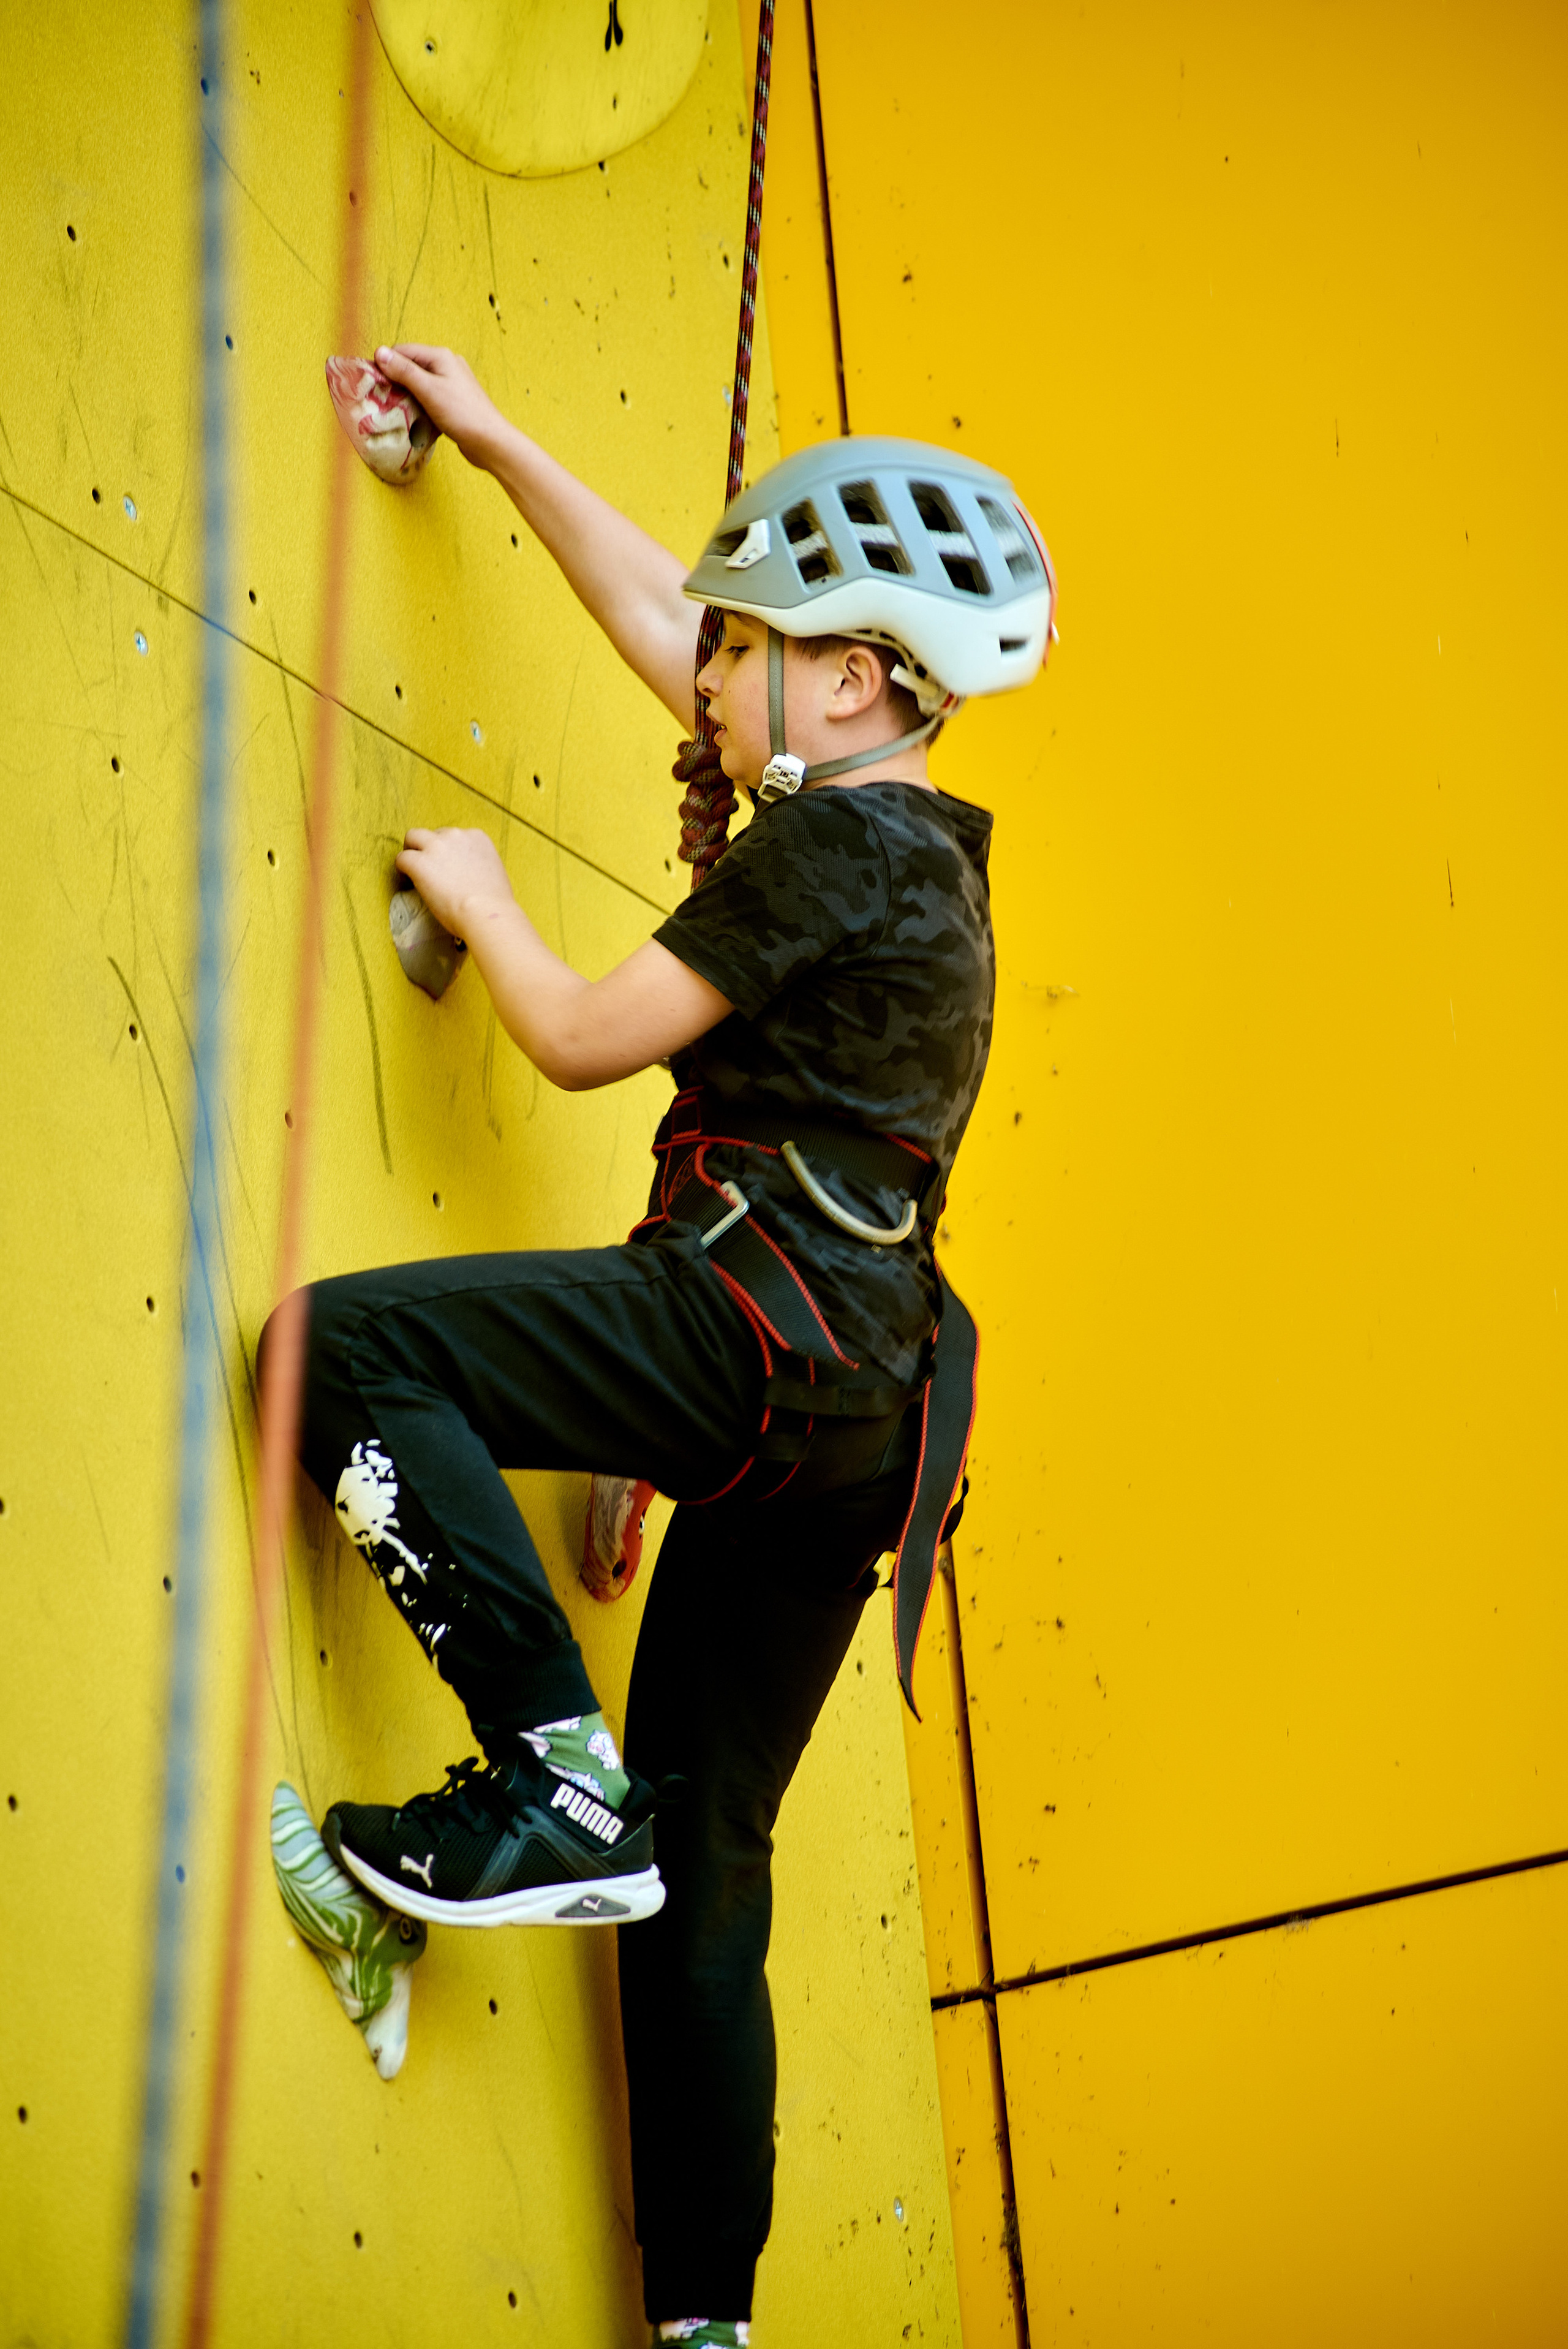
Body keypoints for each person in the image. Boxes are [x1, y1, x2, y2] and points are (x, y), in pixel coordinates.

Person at [268, 342, 1056, 2348]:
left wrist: (481, 892)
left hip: (746, 1339)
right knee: (706, 1847)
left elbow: (578, 1033)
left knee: (330, 1353)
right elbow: (658, 621)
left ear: (851, 676)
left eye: (749, 643)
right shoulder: (922, 853)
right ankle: (706, 2323)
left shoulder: (824, 847)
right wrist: (503, 430)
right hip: (857, 1411)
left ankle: (542, 1772)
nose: (706, 668)